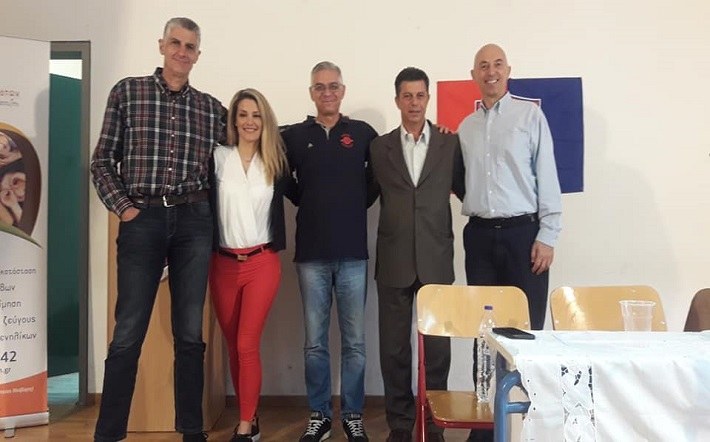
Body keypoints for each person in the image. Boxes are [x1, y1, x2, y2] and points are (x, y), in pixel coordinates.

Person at [90, 17, 225, 442]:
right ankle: (108, 434)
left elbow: (246, 146)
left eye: (190, 46)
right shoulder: (127, 93)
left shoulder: (211, 109)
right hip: (142, 219)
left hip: (193, 221)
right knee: (128, 332)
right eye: (175, 43)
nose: (182, 52)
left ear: (198, 55)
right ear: (162, 45)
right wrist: (126, 210)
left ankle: (192, 431)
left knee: (190, 333)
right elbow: (102, 161)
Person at [458, 44, 562, 441]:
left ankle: (527, 427)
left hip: (524, 237)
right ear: (474, 75)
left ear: (508, 71)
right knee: (484, 335)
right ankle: (484, 429)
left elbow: (547, 176)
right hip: (480, 237)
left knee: (527, 333)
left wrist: (547, 235)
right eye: (483, 66)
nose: (491, 71)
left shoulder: (530, 116)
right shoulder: (466, 128)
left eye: (497, 64)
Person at [282, 61, 377, 442]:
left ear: (343, 90)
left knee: (355, 344)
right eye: (319, 87)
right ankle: (319, 415)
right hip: (311, 256)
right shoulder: (294, 136)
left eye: (333, 86)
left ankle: (352, 415)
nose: (327, 93)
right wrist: (306, 199)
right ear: (311, 93)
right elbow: (281, 177)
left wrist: (354, 203)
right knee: (314, 344)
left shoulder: (362, 133)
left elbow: (378, 178)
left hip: (353, 254)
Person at [369, 67, 465, 442]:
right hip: (393, 259)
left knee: (437, 350)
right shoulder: (379, 148)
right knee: (394, 349)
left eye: (420, 95)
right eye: (406, 96)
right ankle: (400, 424)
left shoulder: (449, 145)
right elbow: (365, 194)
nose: (413, 102)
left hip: (436, 257)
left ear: (428, 98)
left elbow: (466, 189)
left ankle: (434, 423)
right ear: (397, 100)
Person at [208, 88, 290, 442]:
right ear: (233, 120)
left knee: (246, 344)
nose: (249, 122)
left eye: (256, 115)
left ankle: (244, 428)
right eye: (242, 114)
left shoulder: (276, 161)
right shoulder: (217, 158)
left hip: (262, 263)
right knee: (232, 346)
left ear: (265, 120)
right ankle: (251, 415)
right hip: (222, 264)